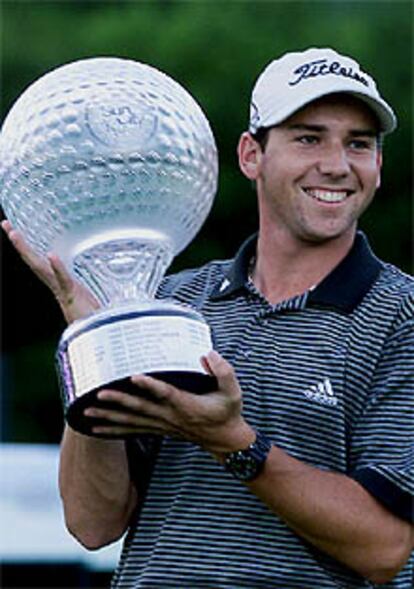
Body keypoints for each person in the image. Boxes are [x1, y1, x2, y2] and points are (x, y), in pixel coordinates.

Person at [2, 47, 413, 588]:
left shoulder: (399, 315)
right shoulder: (171, 302)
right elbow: (92, 523)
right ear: (251, 155)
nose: (336, 164)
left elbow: (385, 548)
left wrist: (233, 441)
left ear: (377, 166)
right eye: (308, 138)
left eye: (358, 144)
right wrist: (92, 336)